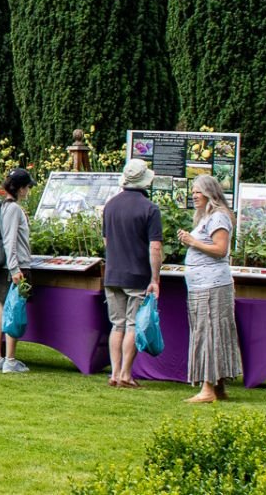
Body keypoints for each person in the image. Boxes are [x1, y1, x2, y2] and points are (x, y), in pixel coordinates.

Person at [177, 174, 241, 403]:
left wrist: (192, 242)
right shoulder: (207, 218)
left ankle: (207, 389)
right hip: (202, 285)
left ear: (210, 193)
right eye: (193, 191)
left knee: (210, 332)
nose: (194, 195)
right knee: (208, 331)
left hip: (212, 286)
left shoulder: (218, 218)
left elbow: (220, 249)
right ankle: (218, 386)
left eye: (198, 191)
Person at [102, 158, 163, 389]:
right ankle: (126, 374)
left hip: (113, 273)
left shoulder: (110, 205)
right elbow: (154, 246)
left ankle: (115, 372)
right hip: (137, 274)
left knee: (116, 325)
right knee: (132, 325)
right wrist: (155, 278)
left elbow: (107, 241)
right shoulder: (150, 209)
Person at [0, 169, 35, 374]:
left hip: (5, 266)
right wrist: (15, 268)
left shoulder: (5, 207)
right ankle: (10, 359)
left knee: (1, 310)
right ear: (21, 188)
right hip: (15, 266)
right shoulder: (14, 209)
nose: (28, 191)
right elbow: (10, 240)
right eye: (27, 187)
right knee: (13, 310)